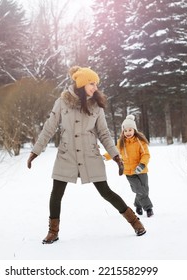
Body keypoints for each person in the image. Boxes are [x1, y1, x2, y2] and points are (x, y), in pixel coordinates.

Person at [27, 66, 146, 244]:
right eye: (92, 83)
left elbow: (104, 133)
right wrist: (35, 151)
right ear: (82, 84)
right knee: (56, 193)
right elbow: (49, 127)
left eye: (96, 84)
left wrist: (116, 156)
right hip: (67, 154)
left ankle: (135, 222)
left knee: (106, 192)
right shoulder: (62, 102)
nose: (95, 87)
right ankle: (53, 232)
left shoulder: (97, 106)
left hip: (90, 154)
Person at [104, 115, 154, 217]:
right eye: (125, 130)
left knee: (144, 189)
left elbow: (146, 154)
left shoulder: (140, 142)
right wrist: (105, 157)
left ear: (134, 130)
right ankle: (148, 208)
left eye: (130, 130)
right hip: (129, 171)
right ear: (123, 131)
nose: (128, 133)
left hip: (141, 170)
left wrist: (142, 164)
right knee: (139, 190)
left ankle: (138, 205)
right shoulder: (121, 143)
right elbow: (114, 152)